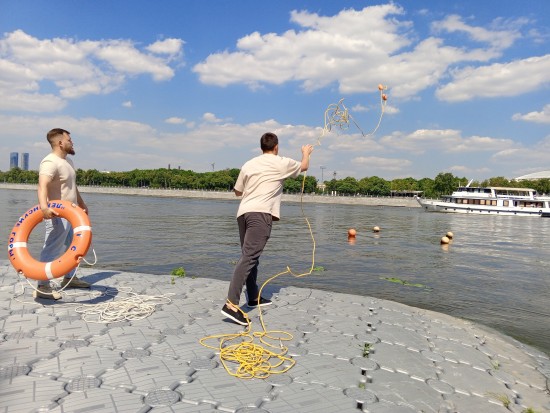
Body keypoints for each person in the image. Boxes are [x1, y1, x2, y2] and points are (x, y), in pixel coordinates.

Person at [221, 132, 314, 325]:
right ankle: (231, 305)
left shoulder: (249, 164)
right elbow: (304, 166)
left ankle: (253, 296)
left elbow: (237, 192)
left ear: (261, 147)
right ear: (276, 147)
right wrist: (306, 152)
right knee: (249, 256)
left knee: (250, 255)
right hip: (260, 214)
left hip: (243, 214)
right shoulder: (281, 162)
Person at [35, 128, 91, 299]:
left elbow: (72, 185)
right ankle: (42, 286)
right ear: (60, 143)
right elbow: (42, 185)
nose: (72, 142)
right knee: (52, 247)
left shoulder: (68, 162)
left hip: (72, 213)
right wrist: (44, 207)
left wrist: (81, 203)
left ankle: (70, 277)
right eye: (69, 139)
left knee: (73, 247)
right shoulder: (50, 162)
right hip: (57, 214)